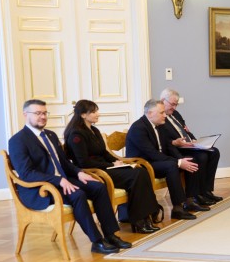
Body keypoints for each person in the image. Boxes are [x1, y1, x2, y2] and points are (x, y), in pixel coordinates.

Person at [7, 99, 130, 254]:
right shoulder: (18, 141)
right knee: (78, 194)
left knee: (98, 187)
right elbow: (27, 173)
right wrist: (59, 180)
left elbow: (64, 163)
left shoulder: (50, 135)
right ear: (25, 114)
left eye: (45, 113)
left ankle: (111, 235)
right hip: (40, 189)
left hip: (63, 181)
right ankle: (97, 241)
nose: (43, 117)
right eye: (38, 113)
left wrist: (79, 173)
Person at [64, 99, 160, 234]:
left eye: (97, 111)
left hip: (106, 168)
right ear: (83, 115)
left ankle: (144, 216)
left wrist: (119, 161)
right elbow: (83, 162)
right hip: (94, 172)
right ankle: (139, 220)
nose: (98, 114)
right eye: (93, 112)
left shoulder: (94, 130)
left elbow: (104, 153)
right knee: (136, 175)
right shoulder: (76, 134)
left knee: (140, 170)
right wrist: (111, 164)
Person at [125, 99, 203, 220]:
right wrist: (178, 162)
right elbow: (152, 153)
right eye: (161, 113)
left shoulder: (160, 125)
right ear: (150, 113)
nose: (165, 115)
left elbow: (168, 146)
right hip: (144, 165)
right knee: (172, 166)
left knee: (189, 160)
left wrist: (181, 159)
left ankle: (189, 200)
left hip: (158, 160)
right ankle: (178, 208)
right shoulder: (138, 128)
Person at [159, 88, 222, 205]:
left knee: (214, 152)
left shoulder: (175, 114)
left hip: (189, 145)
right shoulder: (160, 117)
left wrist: (194, 140)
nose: (174, 108)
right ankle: (196, 195)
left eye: (176, 105)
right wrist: (175, 142)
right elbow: (162, 139)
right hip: (176, 149)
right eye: (172, 104)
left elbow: (186, 130)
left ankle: (206, 190)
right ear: (163, 100)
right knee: (202, 156)